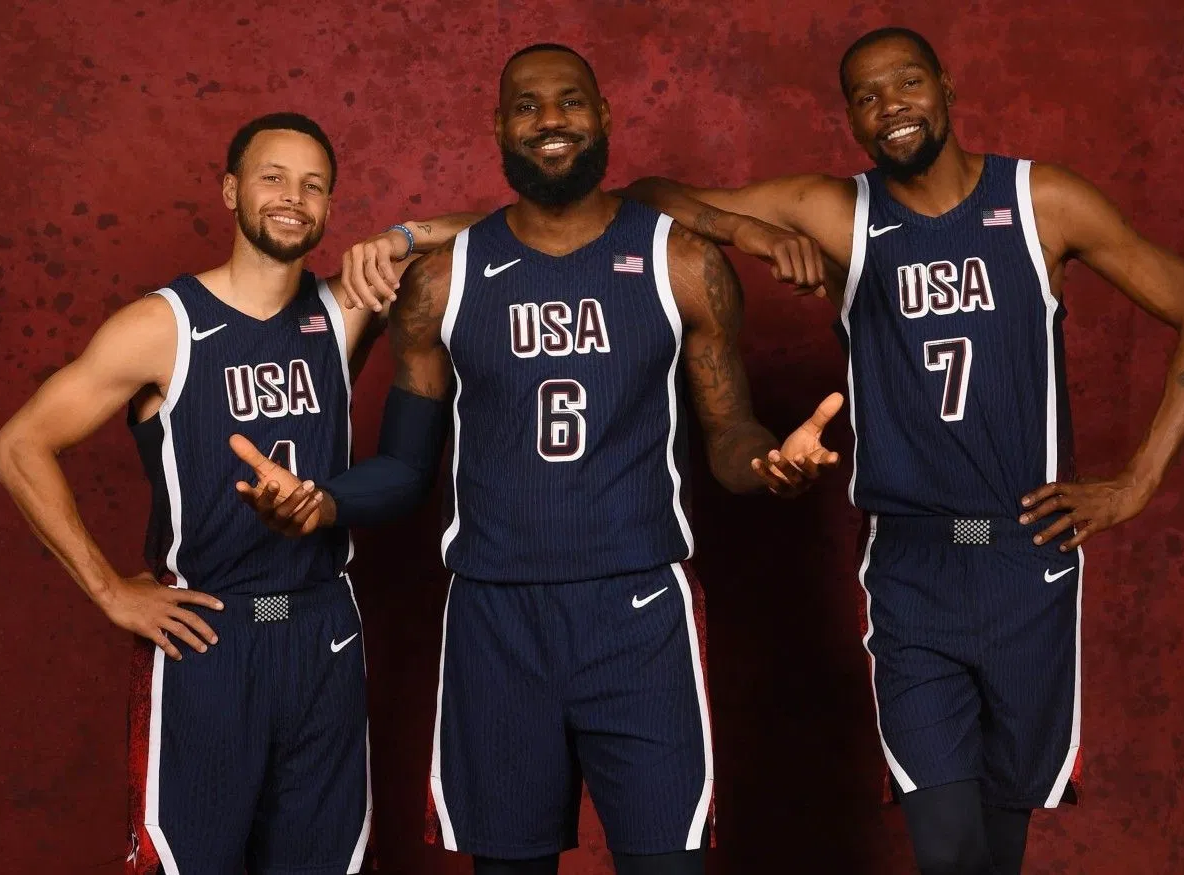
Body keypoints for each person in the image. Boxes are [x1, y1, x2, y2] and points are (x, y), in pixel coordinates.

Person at [621, 26, 1184, 875]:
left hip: (1023, 555)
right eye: (867, 97)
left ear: (946, 86)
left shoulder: (1041, 201)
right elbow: (644, 199)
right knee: (948, 849)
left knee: (995, 850)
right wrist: (749, 232)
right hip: (912, 564)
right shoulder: (839, 212)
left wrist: (1136, 483)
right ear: (850, 118)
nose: (891, 107)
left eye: (907, 83)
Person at [231, 44, 841, 875]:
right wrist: (323, 501)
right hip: (496, 618)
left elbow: (729, 434)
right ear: (498, 127)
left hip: (637, 611)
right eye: (526, 106)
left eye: (569, 101)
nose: (550, 120)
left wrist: (771, 462)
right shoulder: (442, 281)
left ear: (603, 116)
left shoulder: (683, 263)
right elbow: (405, 468)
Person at [0, 112, 404, 875]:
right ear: (230, 190)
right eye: (273, 177)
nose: (293, 197)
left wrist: (402, 237)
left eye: (314, 185)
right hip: (210, 636)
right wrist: (110, 590)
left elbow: (499, 235)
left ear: (329, 206)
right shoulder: (163, 326)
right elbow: (18, 446)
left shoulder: (342, 310)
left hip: (322, 633)